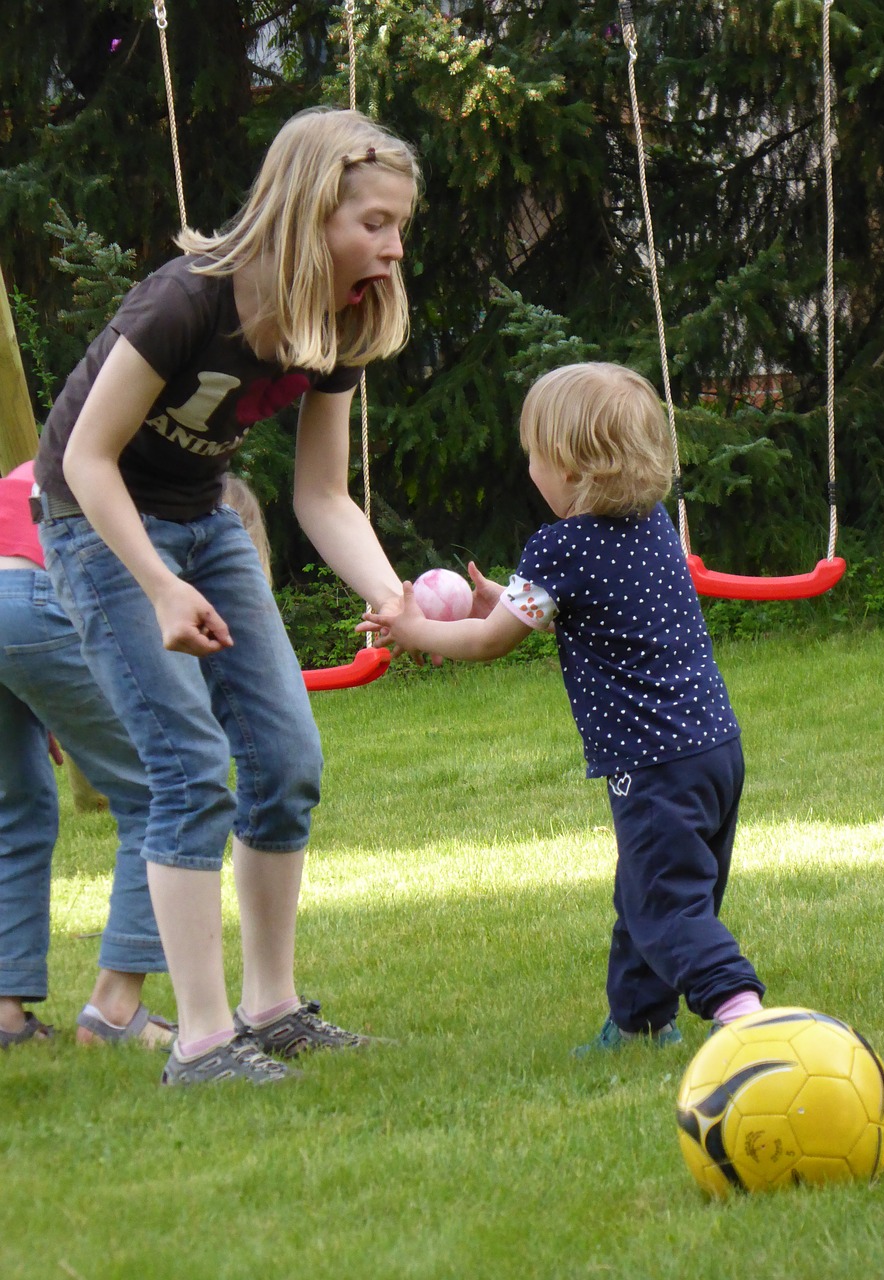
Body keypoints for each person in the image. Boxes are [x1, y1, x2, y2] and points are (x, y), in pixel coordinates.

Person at [33, 106, 421, 1085]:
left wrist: (391, 591)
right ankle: (203, 1040)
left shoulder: (339, 323)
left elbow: (322, 494)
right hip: (94, 518)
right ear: (309, 208)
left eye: (400, 225)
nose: (393, 245)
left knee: (286, 756)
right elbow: (84, 458)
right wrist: (158, 586)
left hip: (204, 520)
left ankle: (272, 1008)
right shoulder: (187, 300)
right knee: (190, 762)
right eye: (374, 222)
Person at [361, 362, 766, 1054]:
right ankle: (640, 1025)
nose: (528, 470)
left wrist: (411, 629)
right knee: (644, 890)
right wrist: (509, 605)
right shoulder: (651, 525)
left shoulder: (560, 546)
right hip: (713, 749)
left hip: (653, 760)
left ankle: (743, 1012)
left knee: (665, 904)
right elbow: (598, 615)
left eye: (534, 456)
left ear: (574, 466)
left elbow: (489, 644)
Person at [0, 459, 172, 1050]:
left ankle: (4, 1016)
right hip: (39, 597)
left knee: (14, 812)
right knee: (161, 793)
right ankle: (114, 1011)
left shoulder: (54, 457)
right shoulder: (167, 475)